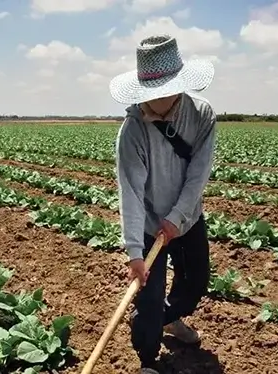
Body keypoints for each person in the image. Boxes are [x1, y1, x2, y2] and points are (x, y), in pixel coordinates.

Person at [109, 34, 217, 374]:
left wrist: (176, 218)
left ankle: (167, 321)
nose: (158, 99)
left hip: (186, 218)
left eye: (165, 90)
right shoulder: (133, 131)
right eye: (151, 94)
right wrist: (134, 253)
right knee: (149, 296)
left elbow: (198, 175)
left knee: (196, 281)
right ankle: (147, 359)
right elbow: (131, 191)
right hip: (147, 223)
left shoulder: (202, 116)